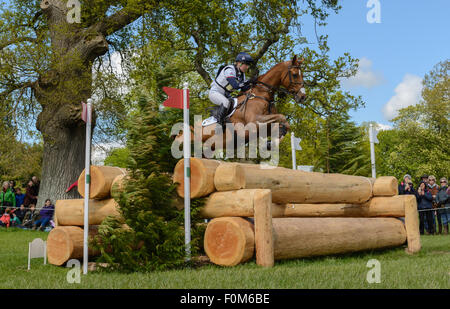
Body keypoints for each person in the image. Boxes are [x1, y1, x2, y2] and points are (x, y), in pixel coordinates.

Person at [209, 52, 254, 125]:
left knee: (237, 104)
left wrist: (253, 84)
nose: (247, 67)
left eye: (248, 65)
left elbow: (244, 88)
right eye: (246, 64)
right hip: (215, 93)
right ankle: (219, 124)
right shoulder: (229, 69)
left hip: (226, 95)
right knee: (225, 102)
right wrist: (248, 82)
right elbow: (235, 85)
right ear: (240, 63)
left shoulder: (242, 75)